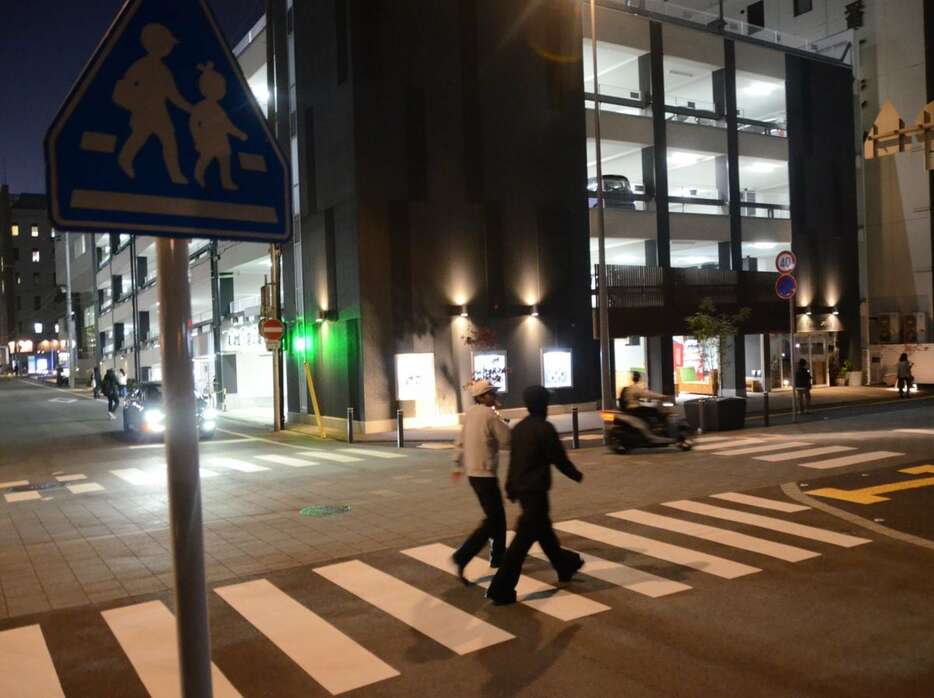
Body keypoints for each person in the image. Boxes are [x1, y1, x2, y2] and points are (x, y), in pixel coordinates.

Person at [486, 385, 584, 606]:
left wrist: (510, 485)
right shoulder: (544, 428)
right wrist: (575, 475)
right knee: (521, 544)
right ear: (542, 404)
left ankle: (565, 566)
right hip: (536, 492)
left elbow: (514, 460)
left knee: (544, 533)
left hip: (522, 491)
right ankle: (500, 588)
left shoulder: (520, 428)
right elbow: (559, 458)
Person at [113, 23, 192, 184]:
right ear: (160, 45)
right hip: (144, 111)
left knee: (166, 140)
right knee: (144, 137)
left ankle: (175, 174)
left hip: (159, 113)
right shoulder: (141, 65)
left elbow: (173, 96)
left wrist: (191, 109)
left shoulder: (164, 71)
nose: (169, 48)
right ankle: (125, 159)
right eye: (168, 44)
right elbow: (126, 84)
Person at [451, 379, 512, 583]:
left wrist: (457, 465)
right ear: (481, 397)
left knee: (498, 515)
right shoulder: (489, 415)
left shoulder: (470, 414)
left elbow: (459, 441)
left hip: (473, 474)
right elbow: (507, 439)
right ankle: (462, 556)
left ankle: (498, 556)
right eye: (491, 394)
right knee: (493, 519)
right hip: (485, 473)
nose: (495, 396)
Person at [618, 371, 670, 443]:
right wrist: (662, 397)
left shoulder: (628, 388)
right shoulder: (634, 388)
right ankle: (660, 427)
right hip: (634, 408)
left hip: (630, 409)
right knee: (654, 411)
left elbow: (642, 395)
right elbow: (646, 394)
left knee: (648, 413)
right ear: (637, 378)